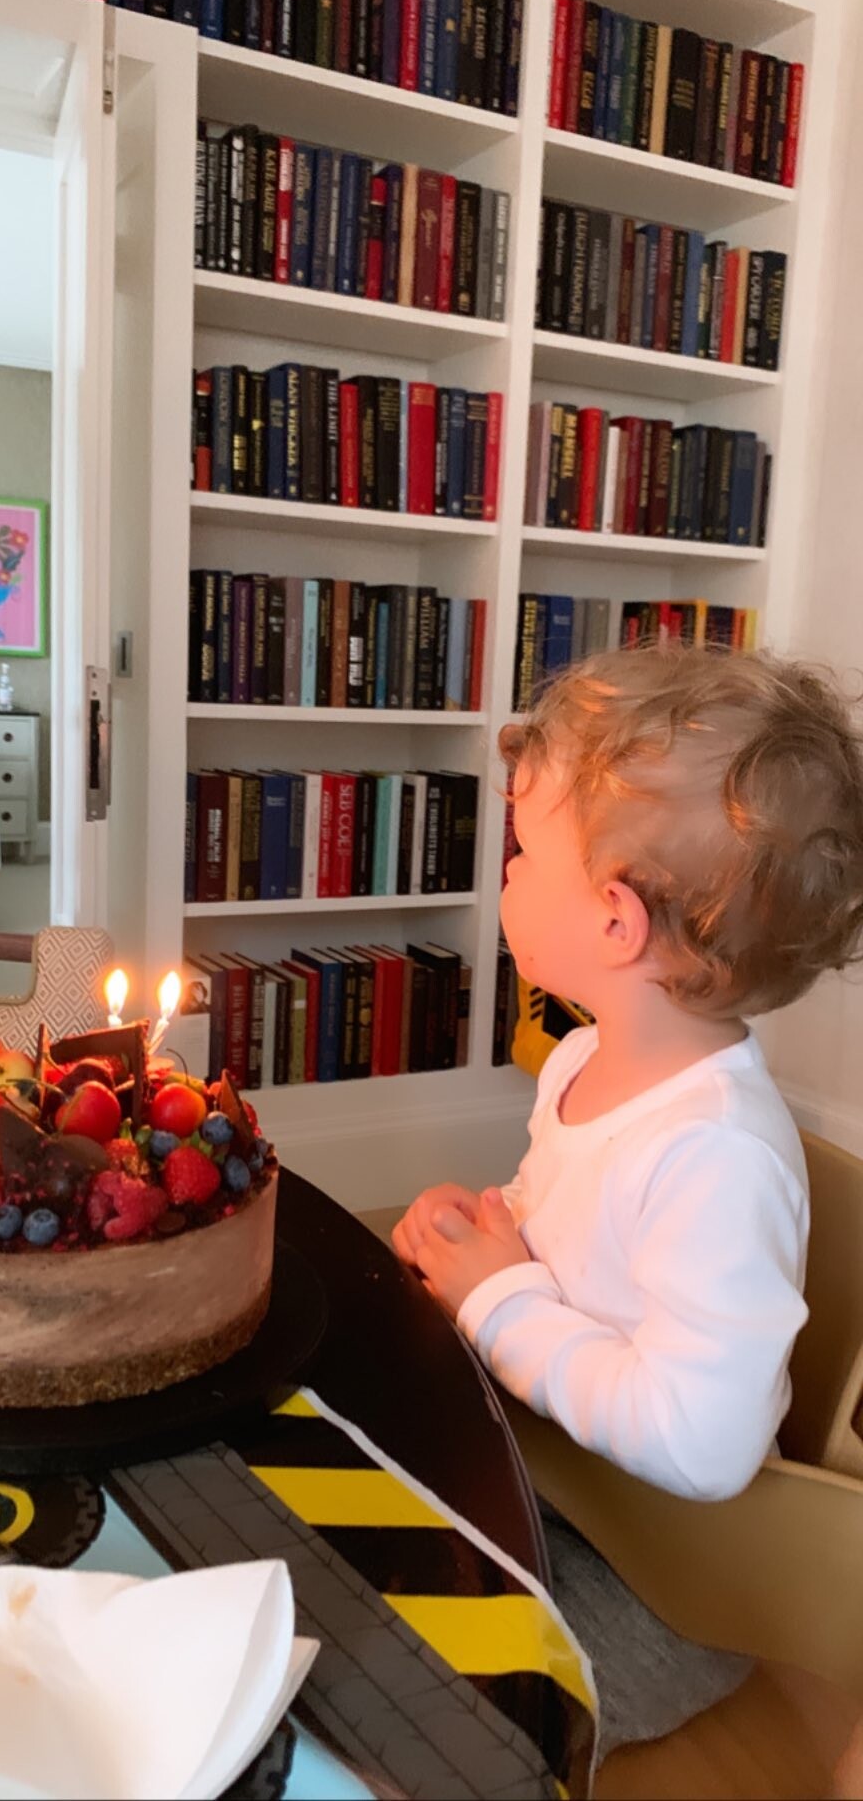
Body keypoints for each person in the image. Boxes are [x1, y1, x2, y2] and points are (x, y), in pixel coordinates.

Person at [393, 645, 863, 1751]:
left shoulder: (714, 1156)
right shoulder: (584, 1060)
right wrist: (490, 1232)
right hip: (553, 1487)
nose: (506, 873)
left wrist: (499, 1296)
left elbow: (702, 1444)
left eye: (524, 850)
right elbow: (566, 1233)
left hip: (659, 1587)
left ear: (615, 921)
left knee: (421, 1712)